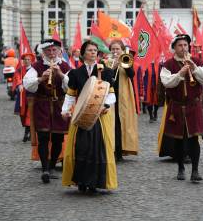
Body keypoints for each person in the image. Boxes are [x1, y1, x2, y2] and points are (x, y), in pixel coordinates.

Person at [61, 40, 117, 193]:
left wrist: (104, 106)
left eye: (95, 50)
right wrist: (64, 110)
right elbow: (71, 95)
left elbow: (112, 96)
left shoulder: (105, 71)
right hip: (80, 116)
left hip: (99, 117)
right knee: (81, 148)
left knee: (97, 149)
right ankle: (81, 181)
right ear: (83, 53)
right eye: (90, 50)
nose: (93, 53)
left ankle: (95, 182)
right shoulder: (75, 73)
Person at [159, 34, 203, 182]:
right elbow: (167, 83)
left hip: (193, 106)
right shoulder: (168, 64)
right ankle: (181, 168)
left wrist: (194, 68)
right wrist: (180, 74)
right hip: (177, 106)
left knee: (194, 139)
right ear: (174, 48)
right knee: (179, 140)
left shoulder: (197, 61)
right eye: (180, 46)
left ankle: (195, 170)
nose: (183, 48)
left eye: (185, 45)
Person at [23, 38, 71, 183]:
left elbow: (72, 87)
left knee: (57, 138)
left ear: (59, 51)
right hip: (42, 105)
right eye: (48, 50)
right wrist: (40, 78)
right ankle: (44, 169)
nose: (51, 53)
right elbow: (27, 84)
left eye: (54, 50)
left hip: (59, 105)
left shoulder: (65, 65)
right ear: (43, 52)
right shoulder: (36, 66)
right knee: (43, 137)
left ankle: (51, 167)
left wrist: (61, 75)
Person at [109, 40, 139, 161]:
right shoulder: (107, 62)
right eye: (113, 49)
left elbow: (131, 74)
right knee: (113, 122)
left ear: (122, 50)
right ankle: (113, 150)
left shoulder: (126, 60)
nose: (115, 51)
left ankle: (121, 151)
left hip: (123, 96)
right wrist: (113, 67)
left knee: (122, 122)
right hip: (111, 95)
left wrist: (124, 64)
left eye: (117, 49)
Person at [13, 52, 36, 142]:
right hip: (22, 95)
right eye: (25, 60)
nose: (26, 61)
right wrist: (19, 84)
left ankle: (27, 132)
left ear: (31, 61)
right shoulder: (20, 70)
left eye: (28, 60)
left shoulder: (34, 70)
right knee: (22, 113)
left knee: (29, 113)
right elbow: (17, 77)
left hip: (31, 94)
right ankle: (28, 130)